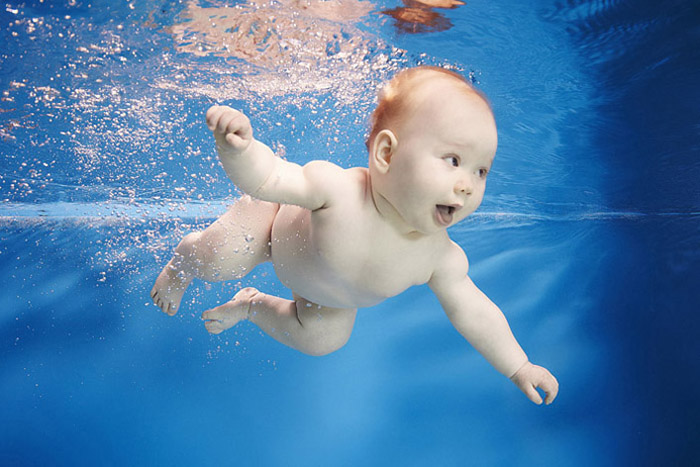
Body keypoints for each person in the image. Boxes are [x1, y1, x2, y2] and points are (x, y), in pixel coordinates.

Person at [151, 66, 559, 405]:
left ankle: (251, 307)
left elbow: (474, 311)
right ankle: (181, 264)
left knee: (324, 338)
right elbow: (270, 176)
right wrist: (239, 149)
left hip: (323, 297)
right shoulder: (338, 190)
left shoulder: (441, 257)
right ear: (386, 154)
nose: (468, 184)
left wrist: (518, 365)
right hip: (270, 229)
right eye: (453, 160)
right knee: (222, 260)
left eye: (481, 170)